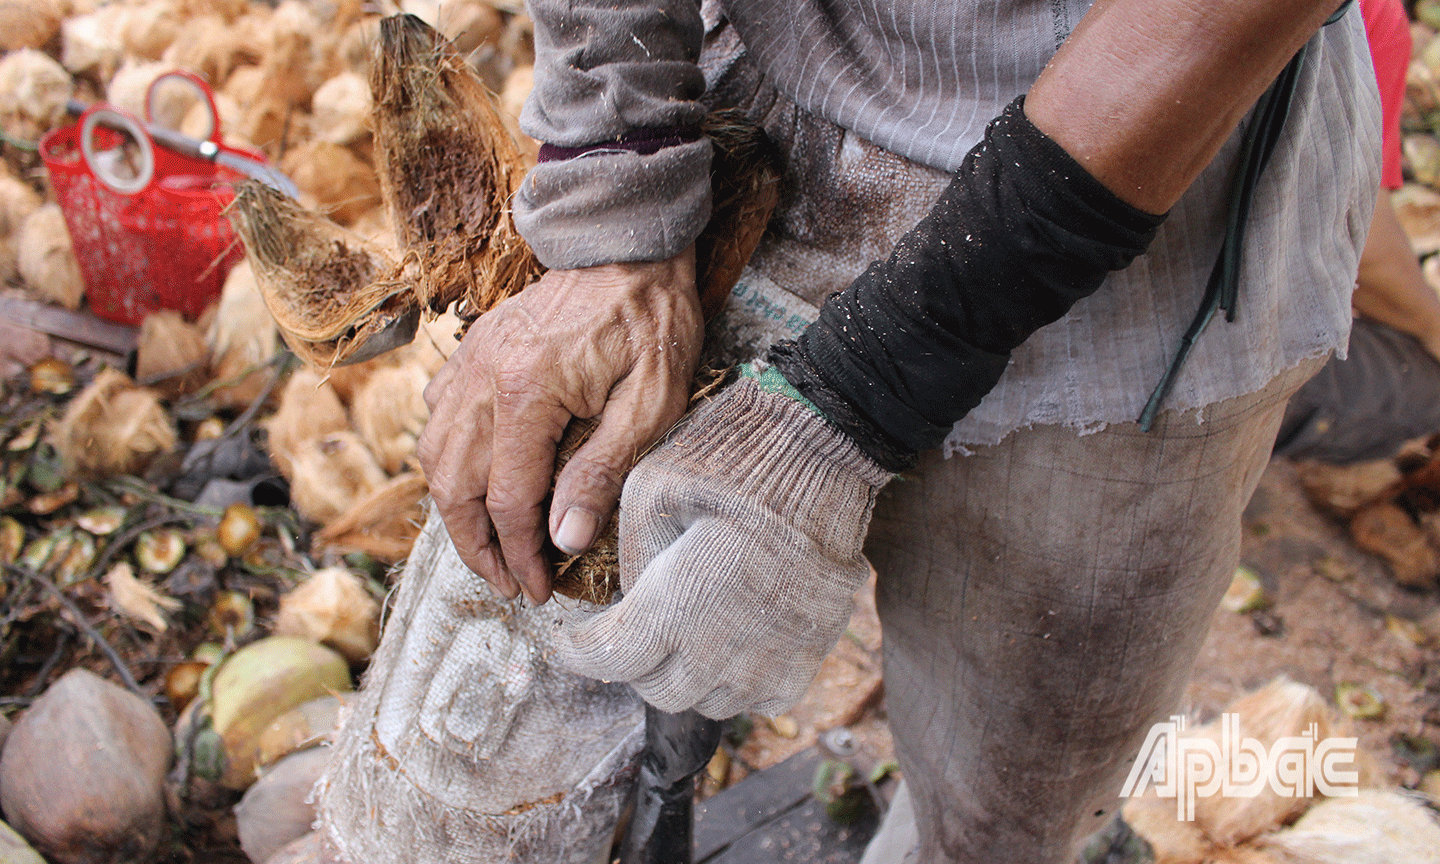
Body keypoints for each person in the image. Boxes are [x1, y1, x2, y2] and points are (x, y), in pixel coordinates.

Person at [416, 1, 1379, 861]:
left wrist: (857, 396)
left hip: (1138, 222)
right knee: (554, 717)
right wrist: (613, 187)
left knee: (1008, 809)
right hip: (758, 130)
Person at [1275, 0, 1440, 464]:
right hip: (1142, 336)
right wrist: (1432, 326)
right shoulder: (1371, 14)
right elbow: (1359, 242)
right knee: (1425, 384)